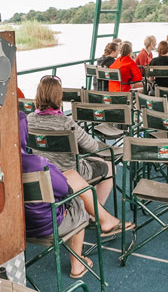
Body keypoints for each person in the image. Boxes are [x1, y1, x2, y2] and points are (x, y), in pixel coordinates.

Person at [19, 113, 128, 242]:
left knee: (74, 176)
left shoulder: (1, 166)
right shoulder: (39, 164)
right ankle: (94, 215)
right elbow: (64, 188)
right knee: (78, 198)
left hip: (21, 221)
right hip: (47, 223)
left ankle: (101, 216)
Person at [27, 76, 115, 205]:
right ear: (59, 96)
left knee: (97, 162)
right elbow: (93, 147)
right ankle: (95, 212)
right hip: (71, 173)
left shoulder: (29, 119)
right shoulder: (66, 123)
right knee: (109, 166)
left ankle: (85, 206)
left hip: (44, 173)